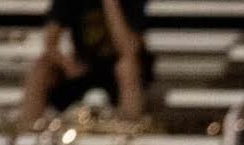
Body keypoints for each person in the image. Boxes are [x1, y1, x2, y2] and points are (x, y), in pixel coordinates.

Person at [18, 0, 151, 124]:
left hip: (117, 74)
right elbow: (50, 43)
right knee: (41, 67)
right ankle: (28, 131)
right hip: (83, 68)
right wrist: (68, 65)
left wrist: (111, 5)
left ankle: (128, 131)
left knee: (127, 67)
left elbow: (128, 50)